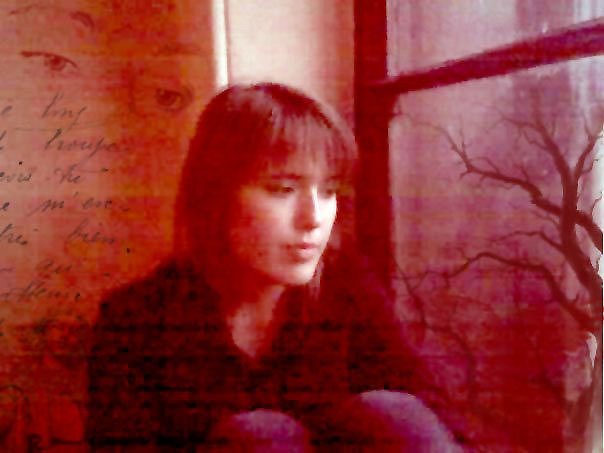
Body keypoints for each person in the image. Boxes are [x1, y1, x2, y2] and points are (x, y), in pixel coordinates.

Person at [87, 82, 462, 451]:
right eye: (283, 190)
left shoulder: (347, 287)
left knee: (393, 413)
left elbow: (430, 416)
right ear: (215, 196)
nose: (313, 218)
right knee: (260, 437)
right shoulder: (135, 322)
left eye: (328, 191)